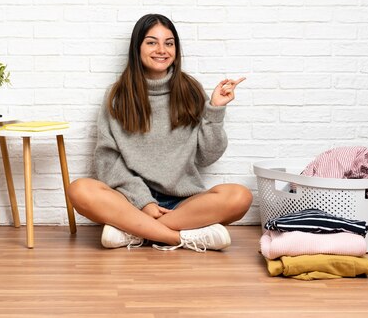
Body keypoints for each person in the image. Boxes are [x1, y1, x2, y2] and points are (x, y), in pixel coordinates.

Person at [67, 13, 253, 252]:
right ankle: (180, 238)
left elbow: (207, 156)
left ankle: (134, 231)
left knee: (240, 196)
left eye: (169, 43)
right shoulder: (117, 96)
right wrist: (144, 203)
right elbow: (107, 162)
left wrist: (215, 109)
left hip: (183, 203)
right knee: (80, 189)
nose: (161, 50)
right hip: (130, 201)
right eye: (152, 42)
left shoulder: (191, 91)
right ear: (138, 48)